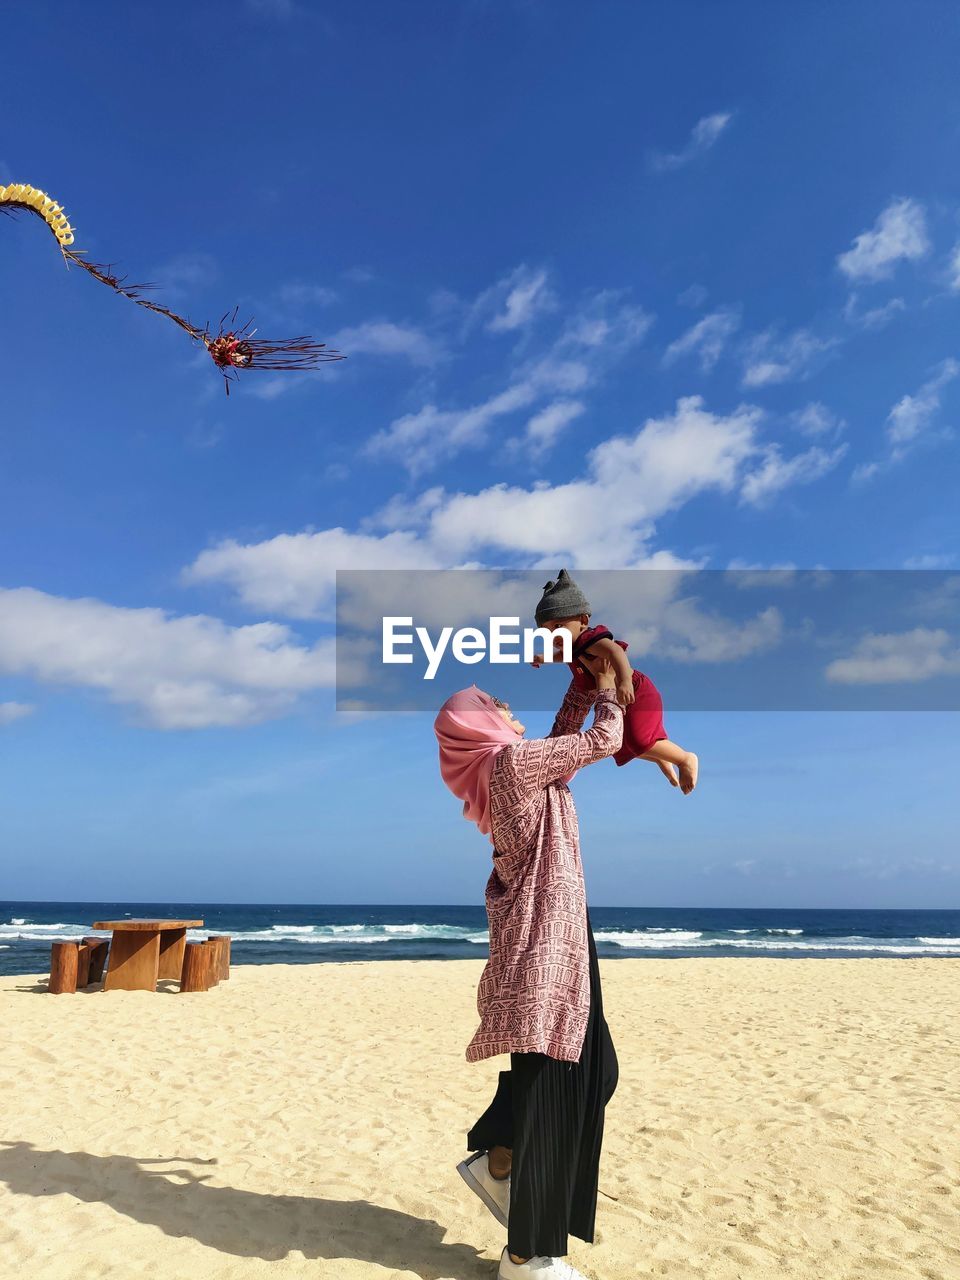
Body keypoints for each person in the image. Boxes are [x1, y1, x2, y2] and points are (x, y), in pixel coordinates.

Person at [433, 652, 624, 1280]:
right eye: (493, 702)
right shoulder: (514, 765)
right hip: (545, 945)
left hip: (561, 938)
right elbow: (601, 739)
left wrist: (580, 679)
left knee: (593, 1076)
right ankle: (525, 1256)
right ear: (478, 723)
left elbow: (567, 740)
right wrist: (612, 687)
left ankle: (500, 1156)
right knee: (556, 1092)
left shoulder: (514, 765)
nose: (506, 705)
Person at [533, 569, 699, 795]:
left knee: (639, 741)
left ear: (583, 620)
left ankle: (684, 758)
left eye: (558, 627)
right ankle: (663, 757)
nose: (553, 636)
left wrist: (623, 682)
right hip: (620, 693)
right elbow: (565, 656)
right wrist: (543, 658)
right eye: (546, 632)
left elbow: (615, 653)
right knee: (621, 745)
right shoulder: (573, 647)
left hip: (636, 690)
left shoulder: (589, 639)